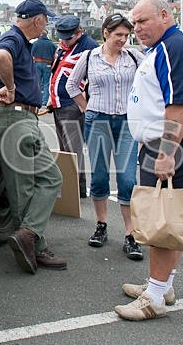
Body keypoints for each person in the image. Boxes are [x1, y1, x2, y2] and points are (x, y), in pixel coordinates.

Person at [117, 0, 183, 321]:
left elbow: (178, 106)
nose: (137, 28)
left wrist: (166, 154)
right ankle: (162, 285)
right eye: (135, 23)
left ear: (164, 14)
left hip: (177, 145)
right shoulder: (164, 47)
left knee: (164, 221)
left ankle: (155, 296)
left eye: (143, 21)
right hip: (170, 144)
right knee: (166, 219)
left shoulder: (175, 46)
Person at [0, 0, 66, 274]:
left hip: (21, 118)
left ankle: (30, 236)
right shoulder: (14, 39)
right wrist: (10, 86)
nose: (46, 29)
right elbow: (0, 57)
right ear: (38, 20)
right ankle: (35, 242)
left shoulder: (18, 40)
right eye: (46, 22)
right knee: (25, 188)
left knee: (48, 178)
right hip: (15, 117)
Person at [65, 14, 145, 260]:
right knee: (99, 175)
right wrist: (85, 107)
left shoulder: (134, 57)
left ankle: (131, 234)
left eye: (126, 35)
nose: (123, 39)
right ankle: (101, 225)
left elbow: (150, 82)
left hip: (126, 122)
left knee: (128, 178)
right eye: (119, 35)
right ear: (106, 33)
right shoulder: (89, 57)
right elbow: (71, 85)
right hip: (98, 120)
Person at [48, 15, 97, 198]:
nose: (64, 41)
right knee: (64, 149)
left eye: (68, 37)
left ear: (79, 32)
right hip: (59, 103)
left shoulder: (90, 47)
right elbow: (57, 71)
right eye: (61, 37)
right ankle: (70, 186)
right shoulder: (64, 46)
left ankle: (77, 189)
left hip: (72, 104)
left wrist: (85, 104)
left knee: (73, 150)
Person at [31, 31, 55, 105]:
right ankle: (44, 101)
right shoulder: (52, 44)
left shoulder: (35, 43)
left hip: (37, 64)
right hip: (47, 64)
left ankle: (37, 99)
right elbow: (55, 55)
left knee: (37, 82)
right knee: (46, 83)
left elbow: (31, 54)